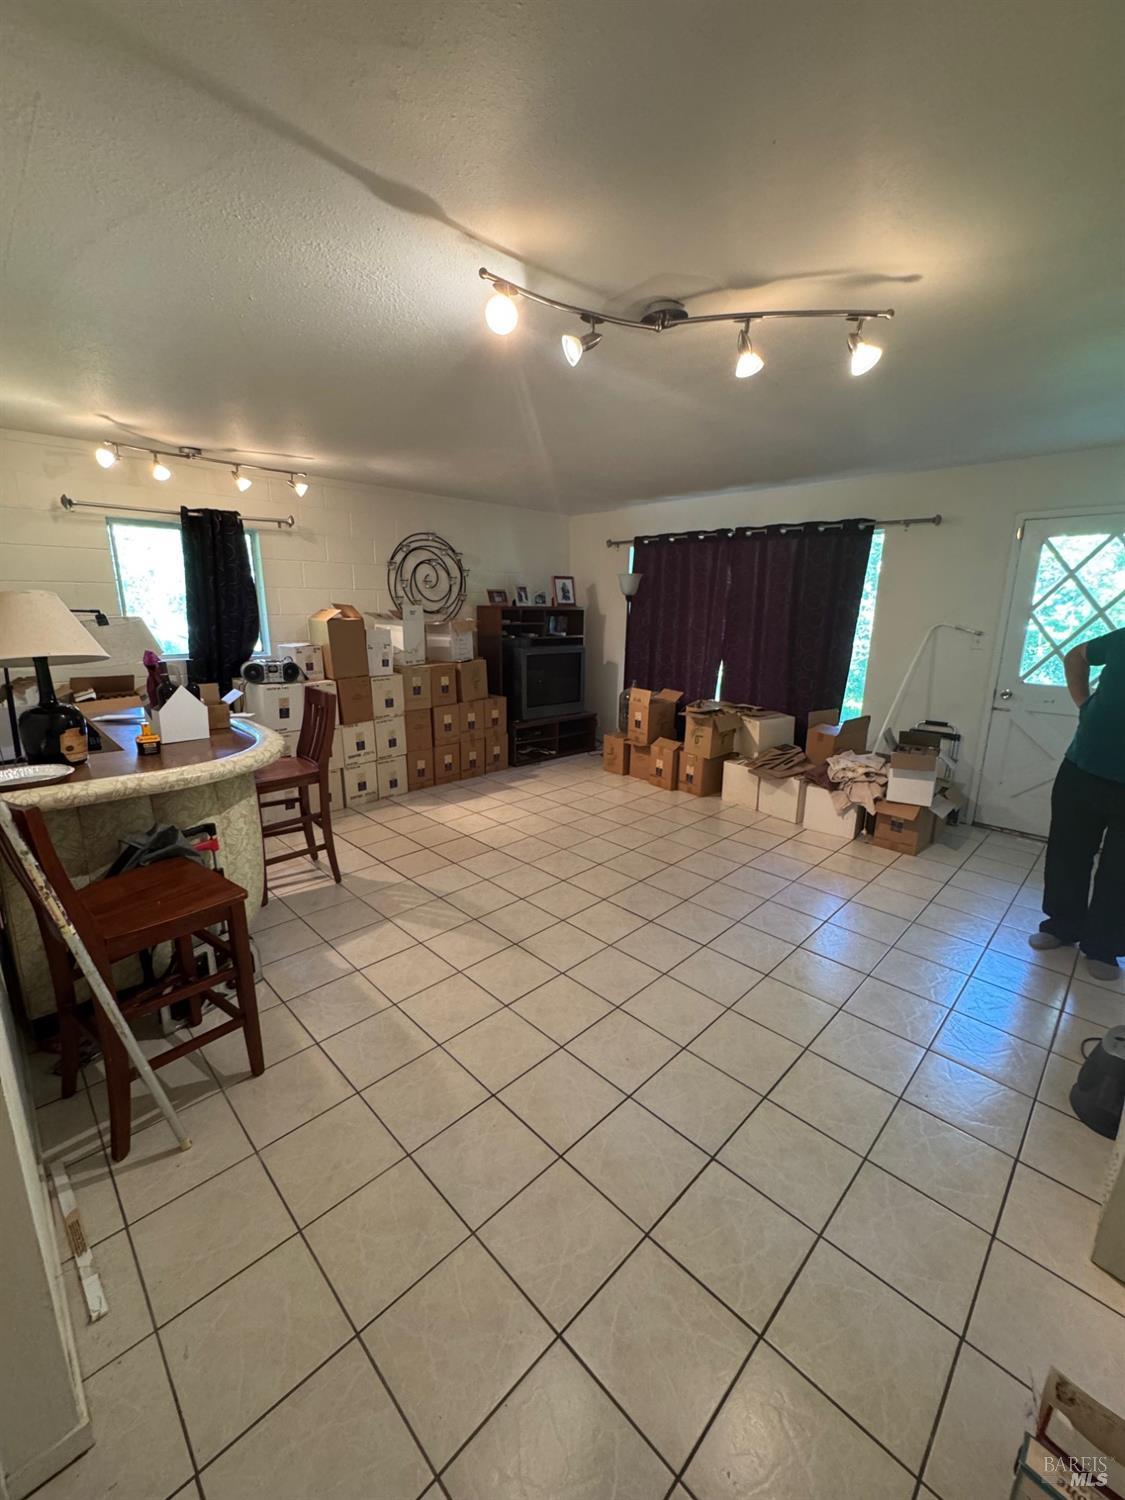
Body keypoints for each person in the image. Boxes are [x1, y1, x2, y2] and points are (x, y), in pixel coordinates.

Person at [1030, 629, 1125, 980]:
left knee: (1120, 871)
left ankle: (1103, 947)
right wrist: (1083, 701)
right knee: (1067, 853)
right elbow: (1075, 657)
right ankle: (1061, 927)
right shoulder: (1121, 639)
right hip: (1082, 768)